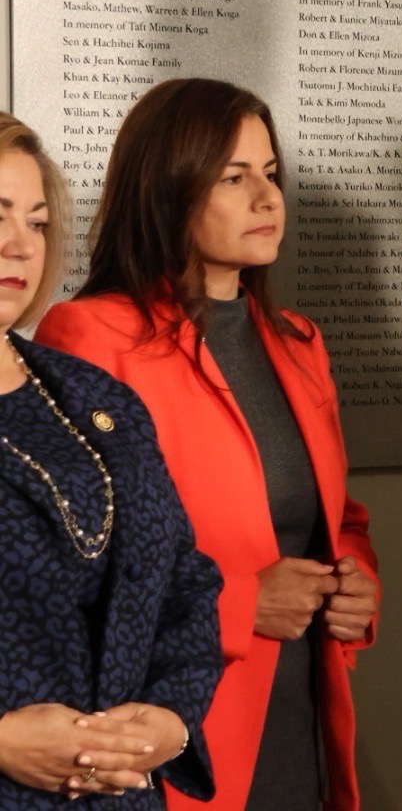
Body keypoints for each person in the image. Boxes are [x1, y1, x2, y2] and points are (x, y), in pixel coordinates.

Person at [35, 80, 379, 811]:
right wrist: (241, 604)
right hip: (177, 725)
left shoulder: (299, 343)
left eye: (271, 173)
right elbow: (72, 573)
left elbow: (338, 518)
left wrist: (357, 586)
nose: (267, 197)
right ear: (169, 188)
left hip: (302, 717)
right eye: (234, 177)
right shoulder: (92, 335)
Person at [0, 112, 222, 808]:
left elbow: (187, 585)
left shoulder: (97, 399)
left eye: (37, 223)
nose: (19, 245)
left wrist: (171, 721)